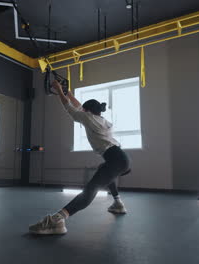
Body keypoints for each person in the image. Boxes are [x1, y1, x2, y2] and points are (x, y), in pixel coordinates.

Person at [29, 80, 131, 235]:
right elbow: (80, 107)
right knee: (103, 169)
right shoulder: (102, 119)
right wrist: (69, 92)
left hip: (115, 159)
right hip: (121, 158)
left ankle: (57, 220)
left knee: (90, 190)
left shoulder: (87, 118)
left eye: (84, 109)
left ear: (87, 110)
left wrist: (58, 90)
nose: (82, 109)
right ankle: (118, 203)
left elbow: (69, 107)